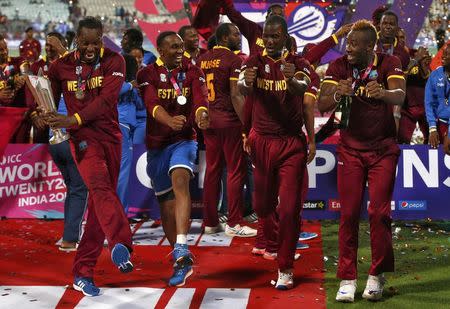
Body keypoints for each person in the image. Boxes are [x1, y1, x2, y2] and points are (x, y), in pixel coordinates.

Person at [44, 17, 134, 297]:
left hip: (111, 138)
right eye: (86, 43)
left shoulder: (115, 61)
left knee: (98, 207)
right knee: (99, 187)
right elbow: (48, 99)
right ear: (77, 40)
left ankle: (82, 273)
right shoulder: (61, 66)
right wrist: (45, 115)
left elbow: (106, 101)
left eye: (96, 42)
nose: (91, 48)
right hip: (82, 141)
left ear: (102, 37)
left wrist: (72, 118)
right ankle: (121, 241)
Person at [318, 20, 406, 302]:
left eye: (355, 44)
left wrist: (384, 94)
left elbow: (400, 94)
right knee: (349, 214)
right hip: (350, 151)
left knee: (379, 214)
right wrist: (336, 93)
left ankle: (376, 275)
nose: (349, 48)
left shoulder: (389, 61)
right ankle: (347, 277)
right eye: (348, 43)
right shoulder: (338, 67)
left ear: (370, 47)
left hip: (382, 150)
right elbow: (321, 103)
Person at [239, 15, 313, 290]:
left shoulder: (299, 63)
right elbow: (241, 89)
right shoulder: (253, 62)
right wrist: (246, 82)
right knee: (263, 206)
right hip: (262, 143)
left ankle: (286, 268)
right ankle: (270, 242)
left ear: (285, 37)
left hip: (291, 144)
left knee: (291, 207)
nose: (270, 41)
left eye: (275, 37)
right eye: (266, 37)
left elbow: (302, 89)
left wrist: (291, 78)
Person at [137, 31, 209, 287]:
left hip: (184, 140)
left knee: (180, 182)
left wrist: (201, 115)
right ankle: (181, 260)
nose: (180, 51)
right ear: (160, 50)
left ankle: (181, 245)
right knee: (166, 208)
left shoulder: (193, 70)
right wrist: (168, 121)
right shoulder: (147, 74)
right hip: (157, 146)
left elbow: (201, 100)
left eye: (181, 46)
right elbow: (151, 103)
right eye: (174, 47)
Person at [27, 32, 88, 252]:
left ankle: (68, 237)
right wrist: (63, 48)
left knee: (72, 187)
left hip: (55, 140)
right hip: (70, 137)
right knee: (79, 188)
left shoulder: (52, 78)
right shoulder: (76, 81)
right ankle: (71, 239)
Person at [198, 22, 256, 237]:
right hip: (229, 121)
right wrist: (247, 125)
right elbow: (235, 94)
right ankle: (234, 222)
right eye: (235, 34)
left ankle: (211, 222)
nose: (238, 37)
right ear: (223, 38)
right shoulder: (233, 60)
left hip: (208, 121)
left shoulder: (201, 60)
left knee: (212, 170)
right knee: (235, 170)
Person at [117, 54, 146, 213]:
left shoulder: (131, 85)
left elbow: (140, 105)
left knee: (121, 169)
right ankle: (121, 210)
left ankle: (121, 208)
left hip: (125, 126)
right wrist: (130, 85)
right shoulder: (119, 82)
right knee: (124, 170)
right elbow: (114, 91)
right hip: (121, 125)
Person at [376, 11, 409, 131]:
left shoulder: (403, 54)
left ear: (397, 27)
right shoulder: (369, 44)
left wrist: (396, 111)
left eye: (391, 24)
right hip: (368, 95)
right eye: (384, 23)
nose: (388, 26)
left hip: (390, 98)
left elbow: (402, 82)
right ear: (379, 25)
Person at [0, 34, 29, 143]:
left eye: (5, 48)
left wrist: (22, 78)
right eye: (0, 50)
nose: (4, 52)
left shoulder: (17, 61)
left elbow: (26, 73)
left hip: (17, 116)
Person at [425, 44, 450, 149]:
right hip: (440, 124)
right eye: (443, 53)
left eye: (448, 54)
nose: (443, 56)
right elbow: (429, 102)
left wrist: (449, 134)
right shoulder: (435, 75)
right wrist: (432, 128)